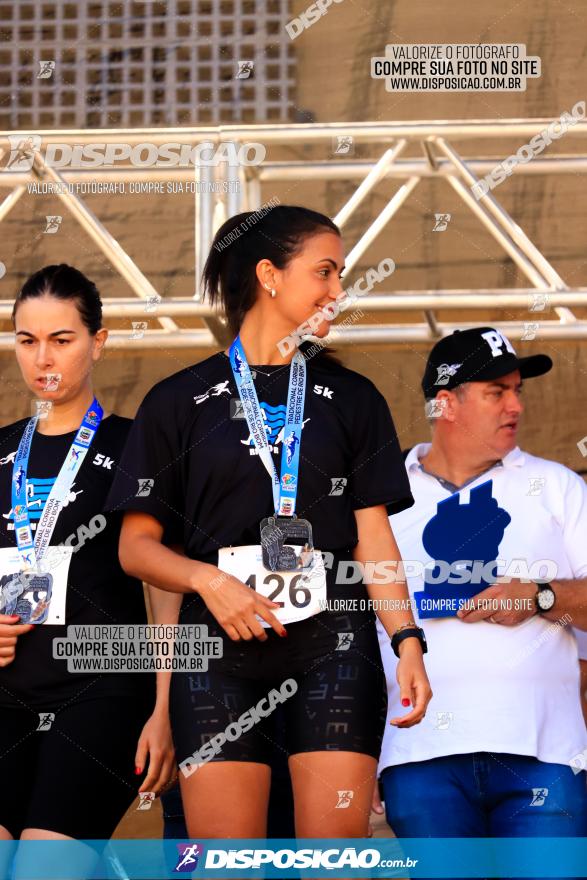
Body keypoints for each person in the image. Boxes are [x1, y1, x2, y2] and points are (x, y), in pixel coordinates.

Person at [105, 205, 432, 839]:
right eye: (326, 272)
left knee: (330, 861)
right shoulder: (176, 400)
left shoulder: (355, 399)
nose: (339, 291)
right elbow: (136, 549)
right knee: (228, 863)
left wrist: (408, 641)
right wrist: (210, 581)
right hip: (215, 651)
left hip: (335, 642)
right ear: (269, 275)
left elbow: (374, 541)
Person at [376, 326, 587, 842]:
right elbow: (348, 634)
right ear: (445, 404)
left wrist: (541, 597)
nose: (515, 405)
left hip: (546, 754)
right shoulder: (380, 498)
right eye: (497, 392)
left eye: (518, 390)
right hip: (417, 754)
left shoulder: (557, 485)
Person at [0, 265, 174, 853]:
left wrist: (168, 708)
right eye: (27, 340)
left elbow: (167, 586)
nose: (42, 358)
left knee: (45, 867)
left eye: (61, 339)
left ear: (97, 343)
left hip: (103, 687)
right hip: (4, 693)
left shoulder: (136, 444)